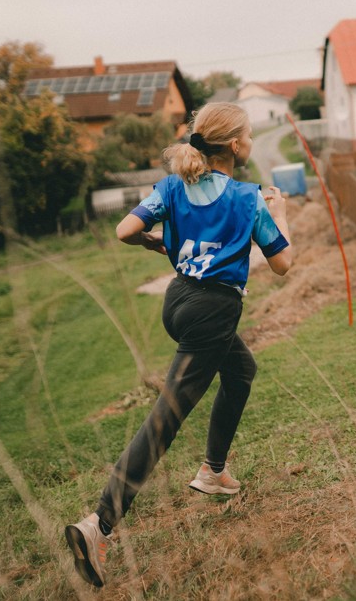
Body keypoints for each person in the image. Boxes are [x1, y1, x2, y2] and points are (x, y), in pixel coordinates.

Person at [64, 103, 293, 588]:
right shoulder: (248, 198)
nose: (251, 140)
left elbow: (125, 230)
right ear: (236, 145)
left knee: (241, 371)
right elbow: (283, 263)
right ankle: (99, 523)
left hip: (179, 300)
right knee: (165, 418)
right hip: (213, 311)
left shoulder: (172, 186)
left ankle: (213, 471)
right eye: (250, 134)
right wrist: (280, 213)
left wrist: (156, 243)